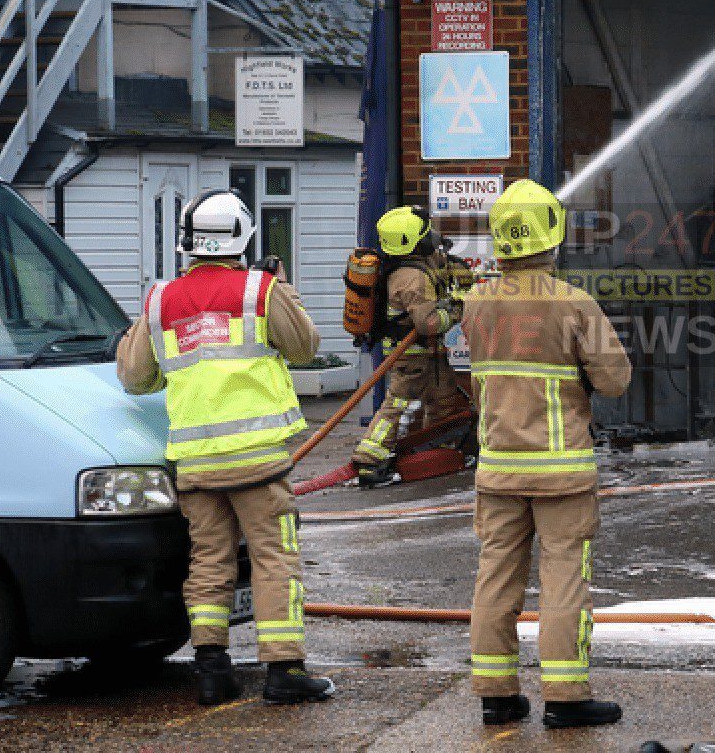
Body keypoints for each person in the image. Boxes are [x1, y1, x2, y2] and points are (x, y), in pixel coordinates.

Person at [117, 190, 334, 706]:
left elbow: (134, 378)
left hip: (195, 463)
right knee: (273, 559)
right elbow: (305, 347)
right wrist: (287, 294)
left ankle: (212, 669)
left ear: (188, 244)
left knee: (209, 561)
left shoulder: (159, 301)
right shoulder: (260, 290)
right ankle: (284, 669)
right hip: (258, 461)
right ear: (241, 236)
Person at [462, 180, 632, 729]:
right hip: (562, 471)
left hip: (497, 468)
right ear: (550, 234)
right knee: (563, 578)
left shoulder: (477, 303)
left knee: (495, 576)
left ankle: (495, 694)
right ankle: (565, 696)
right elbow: (615, 380)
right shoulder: (573, 303)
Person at [350, 206, 468, 486]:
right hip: (412, 355)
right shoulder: (411, 278)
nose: (432, 236)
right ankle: (370, 458)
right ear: (412, 240)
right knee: (397, 407)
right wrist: (455, 310)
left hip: (428, 354)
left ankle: (440, 449)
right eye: (426, 232)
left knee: (444, 397)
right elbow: (427, 323)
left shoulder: (411, 269)